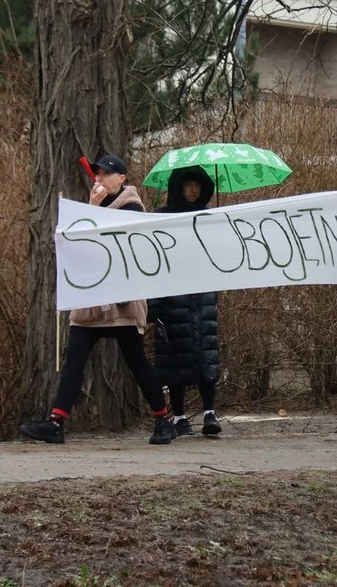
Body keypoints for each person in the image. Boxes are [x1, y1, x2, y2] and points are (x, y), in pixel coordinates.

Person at [19, 155, 177, 446]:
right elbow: (81, 245)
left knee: (136, 362)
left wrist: (90, 212)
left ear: (122, 179)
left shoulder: (132, 207)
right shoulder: (92, 206)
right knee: (74, 361)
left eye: (106, 174)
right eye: (97, 174)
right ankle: (56, 422)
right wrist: (90, 208)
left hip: (121, 300)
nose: (99, 179)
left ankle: (164, 419)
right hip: (90, 300)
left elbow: (111, 241)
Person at [148, 166, 222, 437]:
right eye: (188, 184)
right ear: (178, 186)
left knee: (207, 354)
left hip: (202, 297)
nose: (194, 190)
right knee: (174, 358)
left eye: (198, 185)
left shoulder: (210, 218)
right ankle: (179, 417)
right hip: (171, 297)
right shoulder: (162, 219)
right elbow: (153, 261)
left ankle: (209, 413)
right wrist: (153, 304)